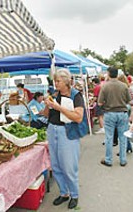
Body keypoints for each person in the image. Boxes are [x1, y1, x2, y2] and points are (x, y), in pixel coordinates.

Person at [43, 69, 84, 209]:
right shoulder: (55, 94)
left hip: (68, 132)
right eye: (55, 81)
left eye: (58, 81)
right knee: (55, 165)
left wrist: (58, 107)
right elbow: (46, 114)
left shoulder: (76, 96)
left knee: (68, 166)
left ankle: (74, 194)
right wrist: (47, 105)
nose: (56, 84)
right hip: (52, 129)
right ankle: (63, 193)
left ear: (66, 81)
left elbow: (78, 118)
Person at [98, 67, 131, 167]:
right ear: (117, 74)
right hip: (122, 113)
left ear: (108, 74)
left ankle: (108, 159)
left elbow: (99, 103)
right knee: (122, 137)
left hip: (109, 113)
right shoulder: (124, 86)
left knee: (109, 137)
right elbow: (128, 101)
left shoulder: (105, 86)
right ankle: (123, 160)